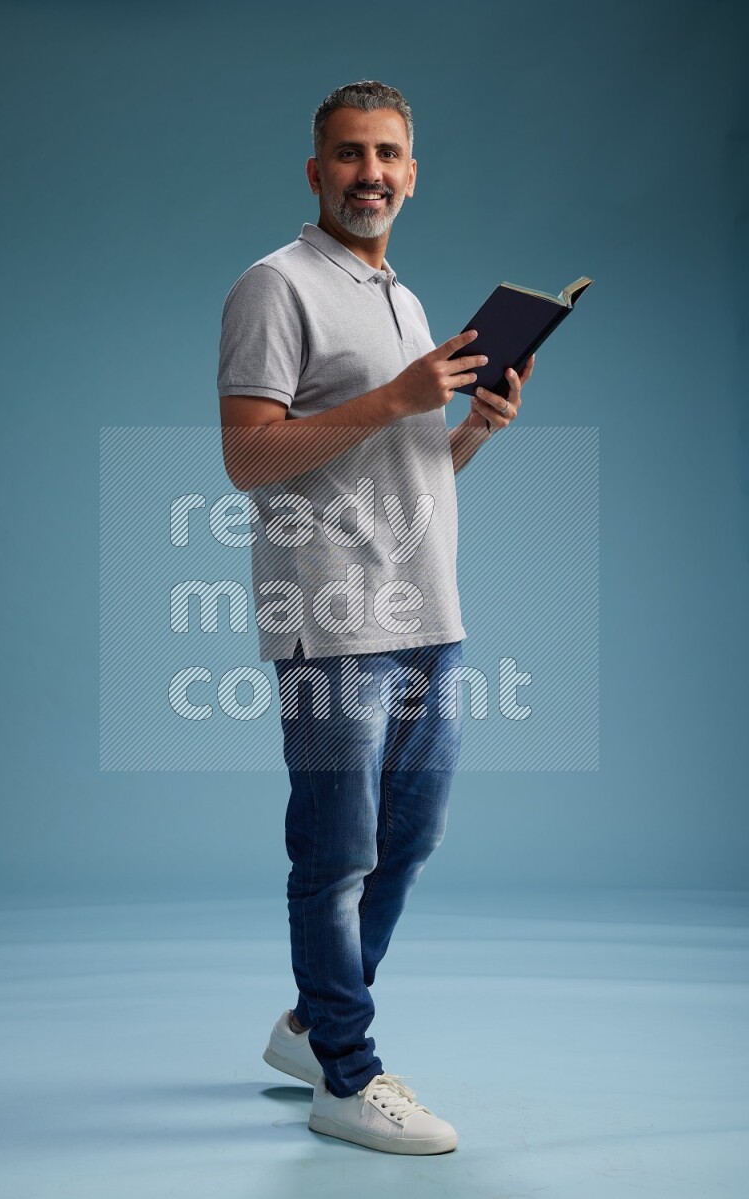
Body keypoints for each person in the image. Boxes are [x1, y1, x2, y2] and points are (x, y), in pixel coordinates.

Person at [218, 80, 535, 1155]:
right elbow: (250, 454)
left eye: (389, 154)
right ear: (316, 171)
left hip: (425, 611)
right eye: (350, 154)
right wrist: (397, 397)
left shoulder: (399, 295)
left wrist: (472, 428)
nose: (371, 173)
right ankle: (347, 1074)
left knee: (409, 837)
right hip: (331, 617)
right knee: (337, 848)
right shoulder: (274, 287)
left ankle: (312, 1025)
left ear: (410, 170)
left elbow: (400, 470)